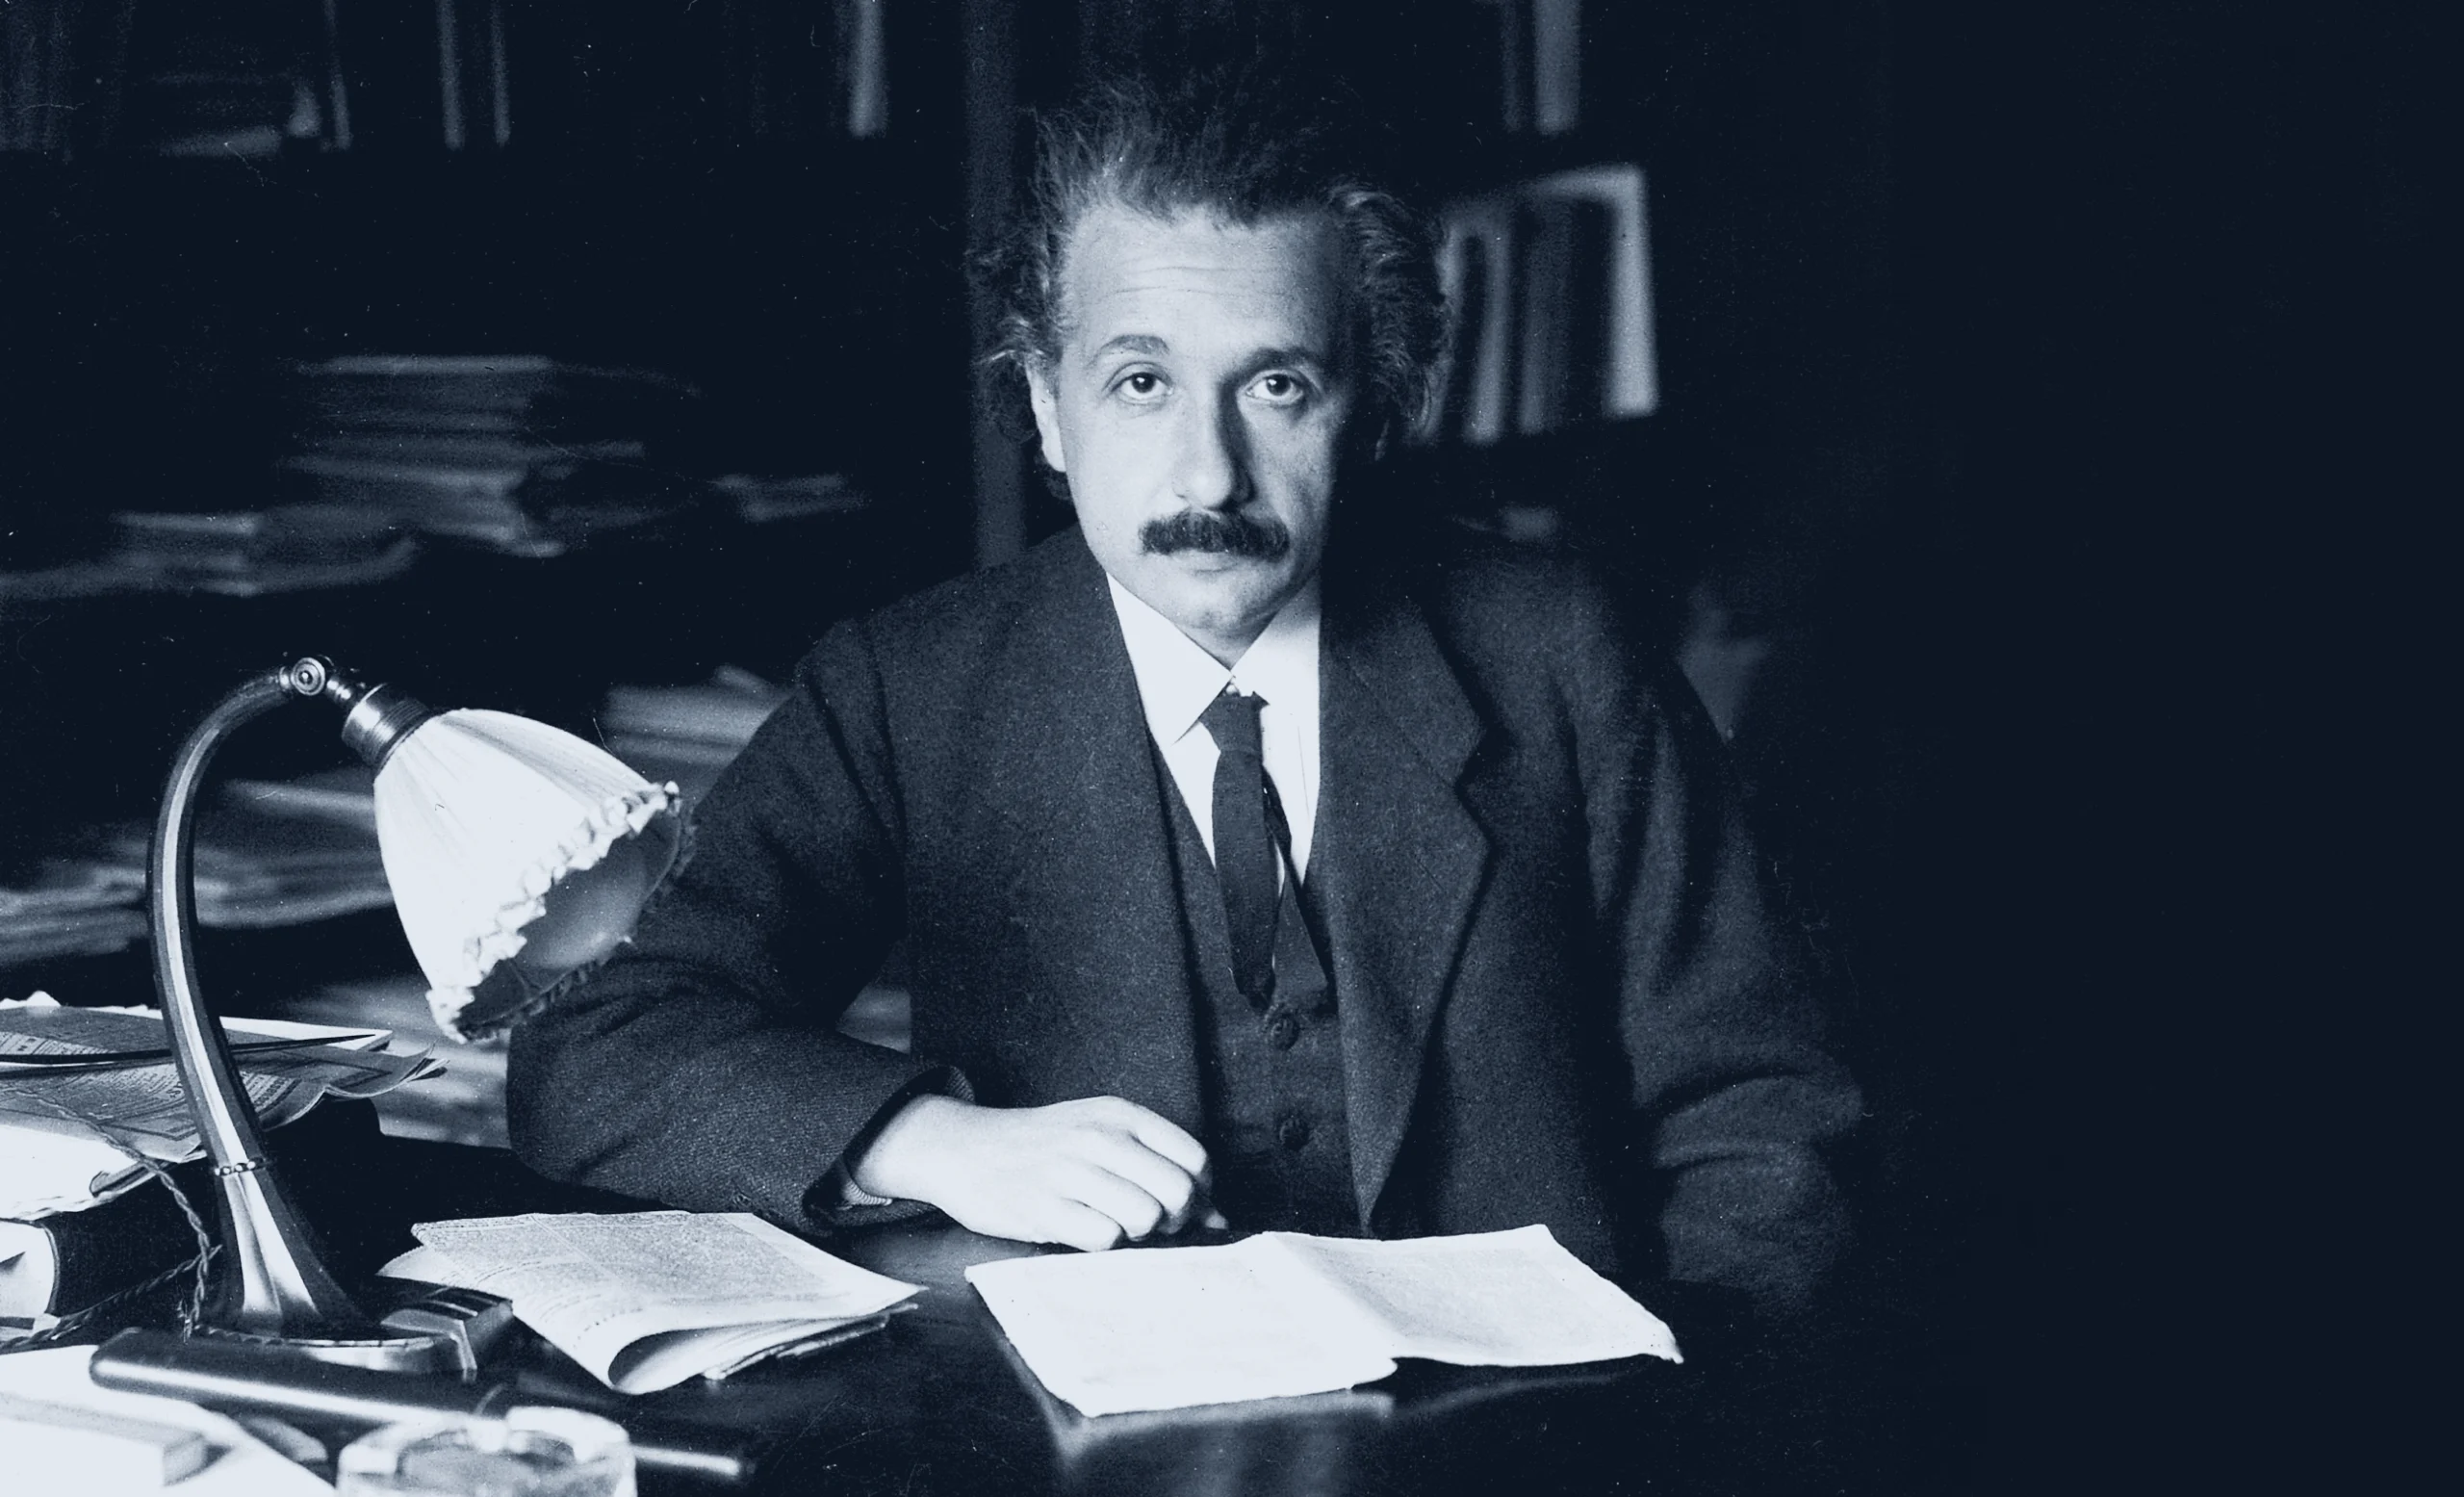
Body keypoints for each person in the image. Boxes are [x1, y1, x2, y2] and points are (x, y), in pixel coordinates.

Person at [509, 67, 1861, 1328]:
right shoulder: (909, 689)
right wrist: (929, 1141)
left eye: (1277, 386)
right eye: (1140, 382)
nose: (1207, 476)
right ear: (1047, 409)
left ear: (1372, 411)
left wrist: (1675, 1437)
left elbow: (1763, 1120)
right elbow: (594, 1045)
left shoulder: (1556, 651)